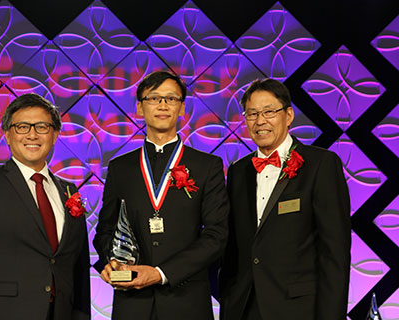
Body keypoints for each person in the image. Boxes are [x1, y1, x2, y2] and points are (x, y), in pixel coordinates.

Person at [93, 71, 229, 319]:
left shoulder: (206, 166)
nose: (163, 105)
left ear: (182, 108)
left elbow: (216, 236)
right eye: (154, 98)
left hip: (187, 301)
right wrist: (108, 262)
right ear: (139, 107)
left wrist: (160, 273)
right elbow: (105, 229)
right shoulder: (120, 167)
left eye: (171, 98)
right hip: (131, 303)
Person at [219, 78, 351, 320]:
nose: (260, 121)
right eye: (252, 114)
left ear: (288, 115)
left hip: (298, 308)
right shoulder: (238, 172)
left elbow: (335, 253)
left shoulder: (320, 164)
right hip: (245, 307)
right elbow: (232, 250)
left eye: (269, 112)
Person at [0, 93, 90, 320]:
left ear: (54, 135)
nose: (32, 134)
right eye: (22, 127)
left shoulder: (69, 190)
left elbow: (79, 267)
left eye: (42, 127)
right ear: (7, 135)